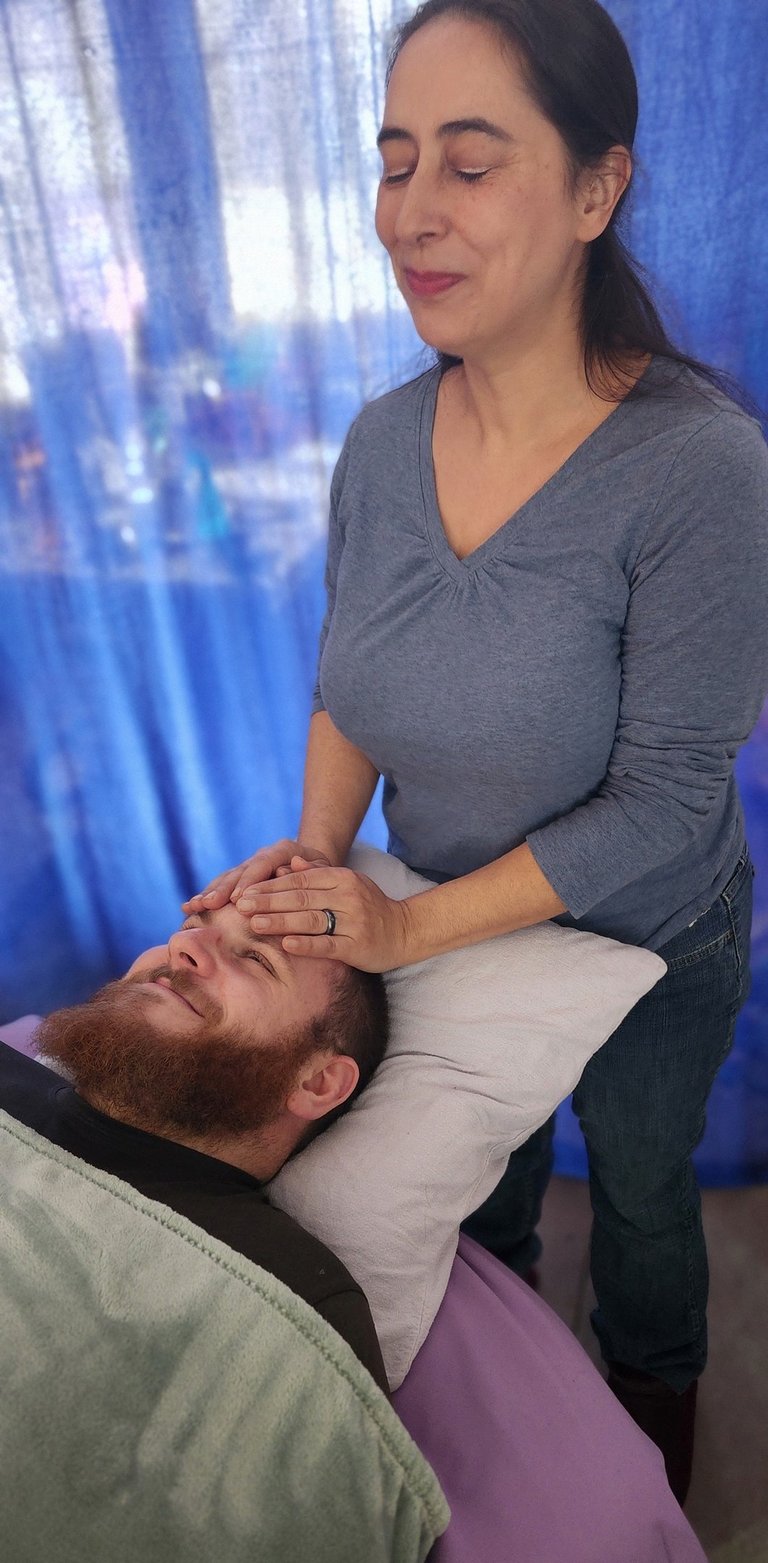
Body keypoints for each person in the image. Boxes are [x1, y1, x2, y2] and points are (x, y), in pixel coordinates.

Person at [184, 0, 768, 1504]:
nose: (412, 214)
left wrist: (399, 930)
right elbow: (348, 687)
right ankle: (495, 1439)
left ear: (596, 190)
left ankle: (652, 1445)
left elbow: (665, 798)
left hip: (645, 937)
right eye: (394, 164)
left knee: (640, 1194)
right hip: (442, 915)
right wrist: (318, 867)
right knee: (479, 1195)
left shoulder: (699, 470)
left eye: (469, 162)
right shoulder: (381, 444)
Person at [0, 888, 390, 1392]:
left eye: (257, 959)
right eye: (189, 928)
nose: (183, 947)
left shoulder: (292, 1298)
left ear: (317, 1083)